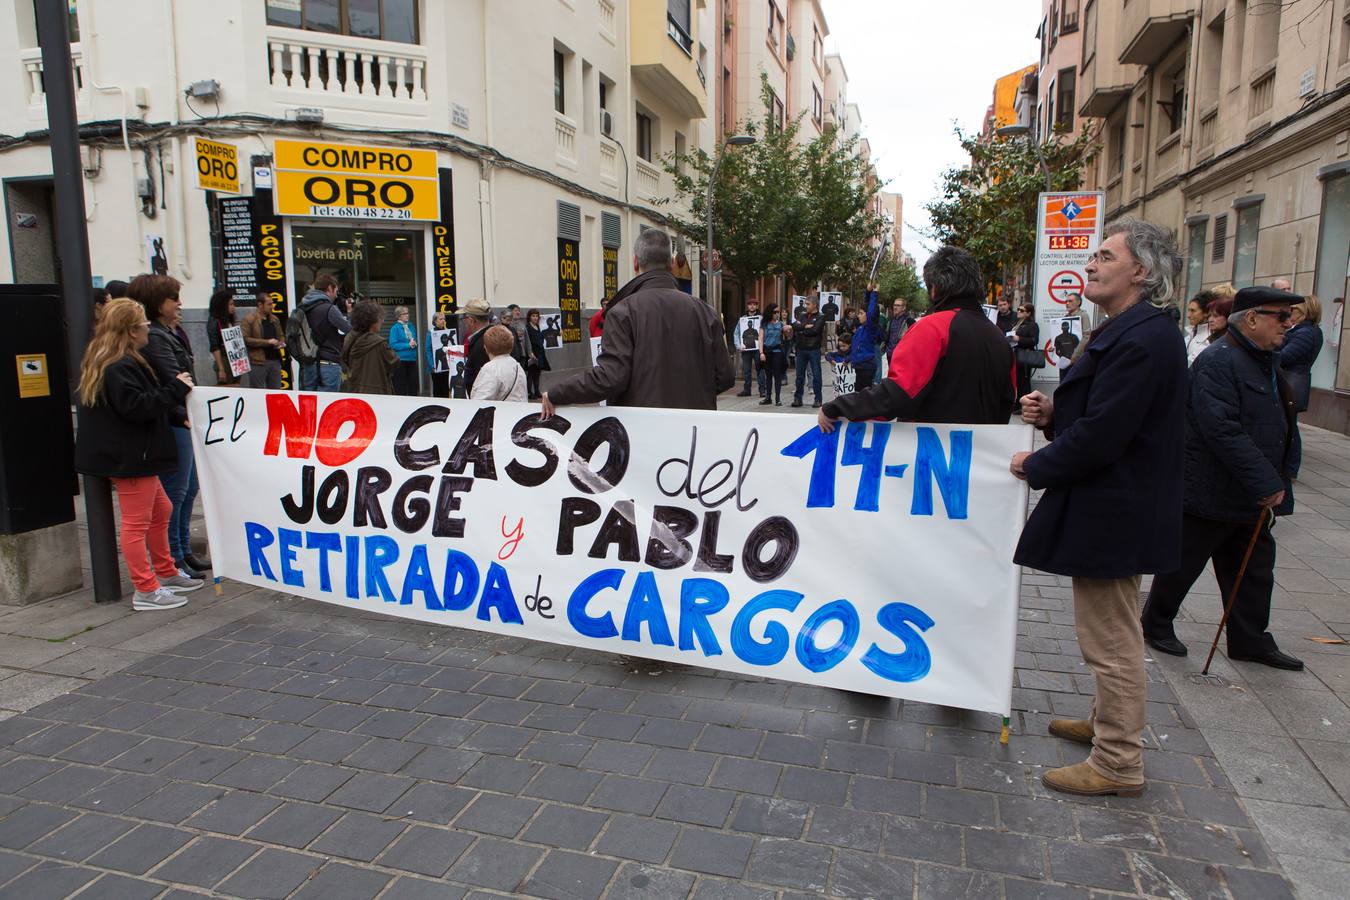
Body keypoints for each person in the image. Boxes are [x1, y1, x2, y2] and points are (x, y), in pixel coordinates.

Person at [1012, 218, 1186, 798]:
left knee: (1109, 640)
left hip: (1117, 507)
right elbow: (1108, 416)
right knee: (1114, 630)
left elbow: (1107, 434)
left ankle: (1117, 760)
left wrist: (1036, 466)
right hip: (1117, 504)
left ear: (1140, 270)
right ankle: (1103, 723)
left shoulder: (1141, 338)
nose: (1090, 264)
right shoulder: (1134, 330)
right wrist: (1056, 415)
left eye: (1104, 256)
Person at [1141, 286, 1304, 671]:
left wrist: (1281, 476)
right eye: (1279, 317)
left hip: (1249, 496)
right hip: (1211, 490)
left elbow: (1283, 425)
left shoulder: (1267, 361)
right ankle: (1156, 622)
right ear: (1251, 318)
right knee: (1183, 563)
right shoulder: (1219, 361)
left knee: (1254, 570)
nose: (1288, 324)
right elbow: (1222, 429)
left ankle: (1249, 639)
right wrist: (1267, 481)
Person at [74, 299, 204, 610]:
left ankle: (165, 572)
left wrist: (175, 416)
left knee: (161, 512)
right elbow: (135, 407)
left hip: (135, 453)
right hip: (131, 457)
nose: (148, 326)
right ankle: (146, 589)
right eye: (144, 322)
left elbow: (140, 404)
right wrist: (175, 389)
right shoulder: (119, 365)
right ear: (132, 330)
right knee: (137, 522)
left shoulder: (119, 360)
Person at [818, 246, 1014, 429]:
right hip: (983, 454)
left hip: (933, 453)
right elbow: (1008, 399)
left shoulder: (932, 327)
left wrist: (838, 407)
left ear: (934, 288)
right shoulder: (998, 336)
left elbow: (897, 395)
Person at [543, 229, 734, 414]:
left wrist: (557, 393)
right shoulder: (706, 312)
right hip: (695, 433)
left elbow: (611, 377)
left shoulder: (622, 312)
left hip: (643, 432)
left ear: (635, 262)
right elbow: (725, 377)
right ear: (673, 263)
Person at [132, 274, 210, 578]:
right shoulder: (156, 338)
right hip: (175, 419)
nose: (179, 304)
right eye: (172, 298)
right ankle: (173, 556)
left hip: (181, 417)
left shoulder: (167, 333)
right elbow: (174, 377)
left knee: (188, 489)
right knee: (176, 492)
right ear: (156, 303)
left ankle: (183, 552)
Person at [297, 274, 350, 392]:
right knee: (326, 405)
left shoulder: (302, 307)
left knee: (309, 405)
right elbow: (349, 330)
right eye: (336, 290)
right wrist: (349, 313)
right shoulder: (329, 308)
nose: (337, 294)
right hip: (328, 364)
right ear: (330, 288)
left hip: (307, 364)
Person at [341, 300, 397, 395]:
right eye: (380, 318)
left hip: (354, 390)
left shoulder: (349, 338)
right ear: (372, 321)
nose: (382, 321)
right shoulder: (380, 343)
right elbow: (394, 363)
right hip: (377, 392)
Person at [1282, 293, 1324, 414]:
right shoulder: (1303, 330)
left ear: (1304, 311)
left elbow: (1285, 357)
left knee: (1287, 427)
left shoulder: (1305, 333)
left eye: (1293, 309)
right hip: (1291, 382)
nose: (1290, 311)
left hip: (1291, 383)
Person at [470, 325, 529, 401]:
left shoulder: (490, 369)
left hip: (501, 412)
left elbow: (480, 401)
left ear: (486, 348)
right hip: (519, 411)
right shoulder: (518, 366)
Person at [242, 293, 284, 389]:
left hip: (275, 359)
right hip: (258, 361)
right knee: (258, 391)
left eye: (272, 304)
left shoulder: (274, 319)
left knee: (275, 392)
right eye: (269, 304)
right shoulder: (249, 319)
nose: (271, 307)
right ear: (260, 305)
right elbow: (246, 339)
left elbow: (281, 335)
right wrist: (267, 342)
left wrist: (280, 342)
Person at [791, 297, 825, 408]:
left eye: (808, 304)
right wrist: (805, 326)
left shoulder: (821, 317)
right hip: (801, 348)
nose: (806, 306)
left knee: (816, 375)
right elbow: (794, 326)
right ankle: (798, 398)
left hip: (813, 349)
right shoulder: (802, 315)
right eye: (806, 304)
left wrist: (801, 331)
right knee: (799, 375)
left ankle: (818, 399)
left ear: (815, 305)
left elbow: (815, 330)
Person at [846, 289, 881, 390]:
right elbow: (856, 347)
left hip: (867, 367)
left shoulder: (870, 329)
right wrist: (868, 292)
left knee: (864, 396)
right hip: (859, 366)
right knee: (858, 393)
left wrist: (874, 294)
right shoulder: (861, 328)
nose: (858, 315)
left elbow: (870, 312)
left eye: (861, 313)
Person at [459, 297, 494, 394]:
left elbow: (481, 382)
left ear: (471, 320)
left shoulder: (482, 342)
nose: (464, 322)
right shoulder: (492, 336)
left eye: (464, 318)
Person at [207, 288, 238, 385]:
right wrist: (221, 368)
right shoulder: (214, 321)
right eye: (230, 304)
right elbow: (214, 346)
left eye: (233, 304)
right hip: (224, 359)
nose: (233, 307)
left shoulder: (229, 320)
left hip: (235, 359)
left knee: (237, 386)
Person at [1011, 302, 1040, 401]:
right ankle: (1018, 403)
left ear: (1028, 313)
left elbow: (1034, 340)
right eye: (1018, 309)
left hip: (1024, 356)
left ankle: (1025, 403)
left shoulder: (1032, 325)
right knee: (1018, 381)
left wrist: (1019, 339)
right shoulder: (1017, 323)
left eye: (1022, 310)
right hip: (1016, 354)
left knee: (1024, 381)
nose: (1019, 311)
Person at [758, 306, 787, 405]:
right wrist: (761, 352)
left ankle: (778, 399)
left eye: (778, 312)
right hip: (767, 352)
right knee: (768, 376)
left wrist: (789, 329)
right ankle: (768, 397)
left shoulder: (780, 324)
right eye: (775, 312)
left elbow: (788, 336)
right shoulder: (764, 324)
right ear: (770, 313)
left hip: (777, 351)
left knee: (777, 376)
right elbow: (761, 339)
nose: (777, 314)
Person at [388, 305, 419, 396]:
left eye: (407, 313)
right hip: (401, 360)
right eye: (404, 313)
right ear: (399, 316)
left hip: (412, 359)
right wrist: (407, 345)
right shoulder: (395, 328)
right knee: (401, 384)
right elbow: (393, 344)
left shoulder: (411, 326)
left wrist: (414, 344)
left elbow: (413, 339)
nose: (407, 315)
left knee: (413, 384)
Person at [736, 299, 765, 397]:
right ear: (747, 306)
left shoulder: (761, 319)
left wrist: (763, 346)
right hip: (746, 350)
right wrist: (739, 346)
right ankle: (747, 390)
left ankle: (762, 390)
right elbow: (736, 333)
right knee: (746, 370)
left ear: (757, 306)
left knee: (760, 369)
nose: (752, 306)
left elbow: (763, 333)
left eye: (754, 304)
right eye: (750, 304)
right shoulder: (742, 320)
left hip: (758, 349)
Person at [525, 308, 550, 400]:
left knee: (538, 373)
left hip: (539, 352)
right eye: (533, 316)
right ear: (529, 317)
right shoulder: (527, 327)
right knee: (531, 373)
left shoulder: (538, 327)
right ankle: (529, 392)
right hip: (532, 353)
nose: (535, 318)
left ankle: (536, 390)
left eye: (536, 316)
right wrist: (530, 353)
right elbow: (528, 341)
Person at [1183, 290, 1213, 366]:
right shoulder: (1190, 334)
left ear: (1206, 313)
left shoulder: (1209, 339)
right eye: (1189, 310)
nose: (1188, 315)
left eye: (1193, 311)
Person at [426, 311, 450, 397]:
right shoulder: (431, 332)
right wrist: (432, 364)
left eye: (444, 319)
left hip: (446, 366)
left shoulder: (447, 331)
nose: (443, 320)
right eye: (440, 319)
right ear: (435, 321)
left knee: (446, 388)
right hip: (435, 366)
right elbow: (428, 349)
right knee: (437, 388)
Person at [884, 297, 913, 363]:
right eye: (894, 305)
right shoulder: (891, 320)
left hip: (902, 355)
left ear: (904, 308)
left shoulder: (909, 321)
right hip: (890, 354)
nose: (895, 307)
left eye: (898, 305)